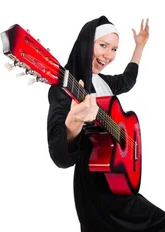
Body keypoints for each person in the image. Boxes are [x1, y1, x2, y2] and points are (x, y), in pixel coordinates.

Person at [46, 16, 165, 231]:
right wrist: (74, 120)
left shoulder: (101, 81)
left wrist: (139, 46)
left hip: (118, 180)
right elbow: (59, 157)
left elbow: (128, 80)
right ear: (85, 43)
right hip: (97, 190)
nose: (108, 56)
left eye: (114, 49)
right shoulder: (64, 89)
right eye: (103, 45)